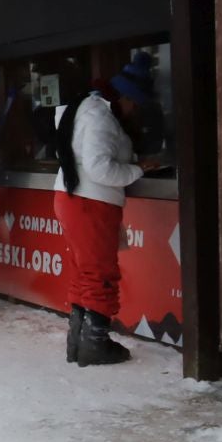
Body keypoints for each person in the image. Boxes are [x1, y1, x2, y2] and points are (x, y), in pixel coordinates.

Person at [55, 72, 150, 367]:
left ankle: (78, 341)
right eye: (134, 103)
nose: (134, 110)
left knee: (84, 271)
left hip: (73, 197)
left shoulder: (86, 108)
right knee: (99, 272)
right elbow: (99, 168)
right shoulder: (100, 116)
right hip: (91, 201)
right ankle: (95, 344)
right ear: (123, 98)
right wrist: (138, 169)